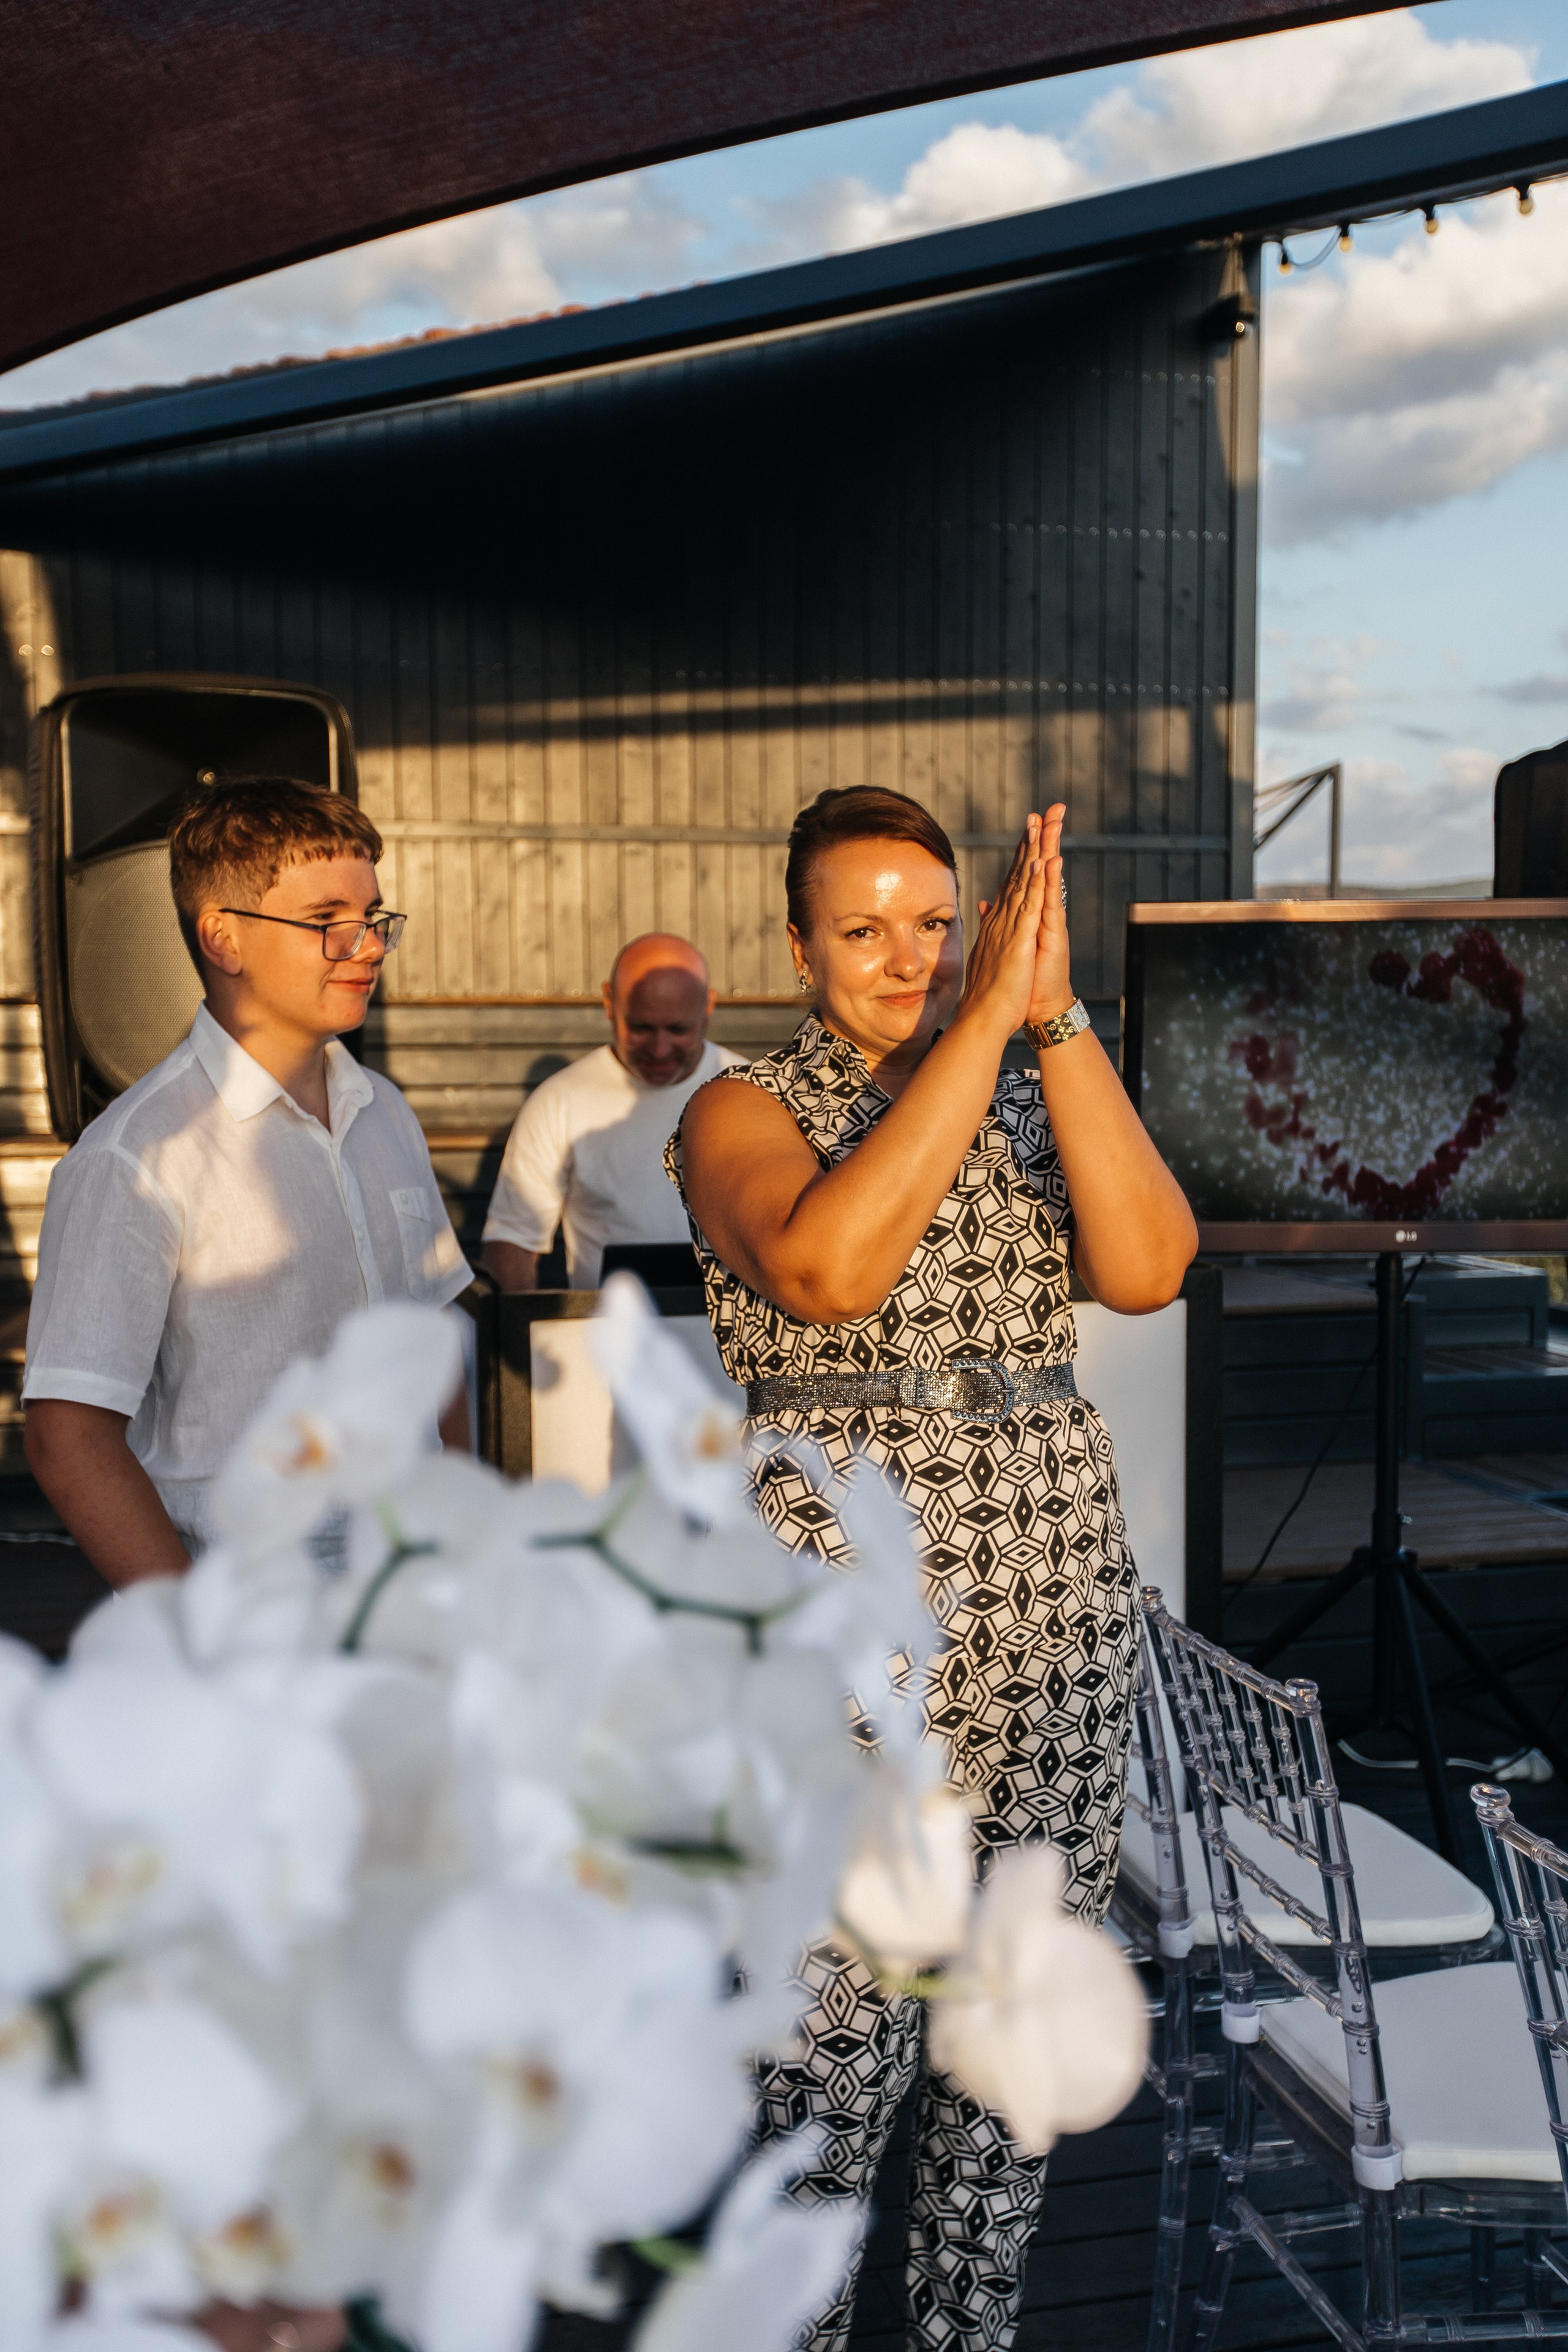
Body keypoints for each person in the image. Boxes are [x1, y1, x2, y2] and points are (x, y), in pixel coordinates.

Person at [671, 785, 1196, 2352]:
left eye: (930, 923)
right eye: (859, 929)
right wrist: (979, 1030)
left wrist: (1055, 1022)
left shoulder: (1040, 1078)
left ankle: (969, 2331)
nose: (901, 959)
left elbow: (1150, 1265)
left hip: (1050, 1573)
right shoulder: (740, 1106)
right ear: (796, 944)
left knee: (1011, 1997)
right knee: (832, 2030)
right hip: (853, 1590)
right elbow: (826, 1273)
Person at [23, 776, 472, 1587]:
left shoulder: (386, 1115)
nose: (366, 946)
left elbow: (434, 1346)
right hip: (257, 1617)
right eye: (326, 923)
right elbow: (68, 1435)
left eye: (372, 920)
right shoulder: (135, 1157)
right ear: (223, 939)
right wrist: (196, 1634)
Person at [480, 930, 741, 1291]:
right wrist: (518, 1340)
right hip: (607, 1342)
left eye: (678, 1030)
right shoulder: (559, 1101)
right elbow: (514, 1242)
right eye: (641, 1028)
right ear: (608, 1002)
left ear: (708, 1008)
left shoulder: (750, 1092)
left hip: (732, 1344)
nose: (660, 1049)